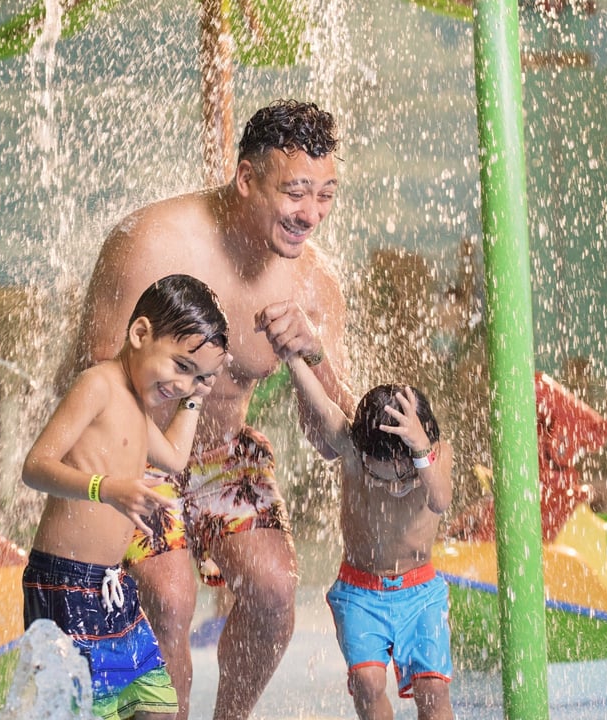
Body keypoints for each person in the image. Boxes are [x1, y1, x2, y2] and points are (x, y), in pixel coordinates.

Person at [58, 99, 353, 720]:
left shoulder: (312, 285)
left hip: (221, 453)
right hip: (131, 453)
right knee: (169, 596)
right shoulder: (150, 244)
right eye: (296, 192)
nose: (311, 214)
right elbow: (92, 387)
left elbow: (335, 441)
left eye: (325, 194)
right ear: (247, 179)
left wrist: (313, 358)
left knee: (275, 592)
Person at [23, 274, 230, 719]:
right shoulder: (98, 386)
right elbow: (36, 466)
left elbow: (174, 457)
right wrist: (106, 488)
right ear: (140, 333)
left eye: (196, 375)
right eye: (180, 365)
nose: (181, 383)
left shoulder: (139, 402)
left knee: (156, 704)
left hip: (112, 585)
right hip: (64, 583)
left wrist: (195, 398)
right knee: (84, 708)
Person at [279, 344, 454, 720]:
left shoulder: (436, 454)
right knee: (367, 683)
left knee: (434, 689)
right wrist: (291, 359)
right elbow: (324, 408)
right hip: (360, 592)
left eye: (404, 477)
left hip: (420, 593)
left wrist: (420, 449)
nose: (393, 487)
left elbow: (439, 499)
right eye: (380, 476)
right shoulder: (354, 451)